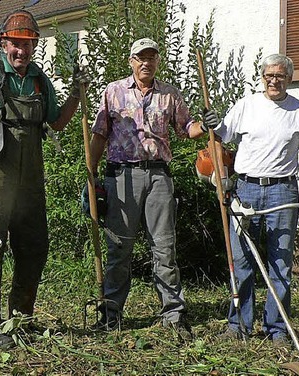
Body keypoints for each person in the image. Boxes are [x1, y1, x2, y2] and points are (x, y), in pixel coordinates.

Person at [0, 9, 88, 349]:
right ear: (3, 43)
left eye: (28, 44)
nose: (22, 51)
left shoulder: (40, 81)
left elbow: (56, 123)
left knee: (34, 248)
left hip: (30, 180)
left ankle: (21, 319)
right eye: (16, 44)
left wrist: (76, 95)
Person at [207, 53, 299, 343]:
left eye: (280, 76)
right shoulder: (246, 106)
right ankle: (239, 326)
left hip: (283, 191)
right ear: (262, 77)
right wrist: (213, 123)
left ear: (289, 79)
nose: (274, 80)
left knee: (280, 263)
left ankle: (277, 329)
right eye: (269, 75)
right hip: (245, 189)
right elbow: (220, 135)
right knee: (242, 260)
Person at [87, 37, 212, 342]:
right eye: (141, 58)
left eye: (151, 57)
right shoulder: (113, 92)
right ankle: (111, 314)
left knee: (164, 247)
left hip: (158, 176)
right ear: (131, 61)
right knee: (119, 249)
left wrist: (205, 125)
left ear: (158, 61)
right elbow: (99, 135)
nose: (146, 63)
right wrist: (90, 174)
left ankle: (173, 314)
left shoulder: (169, 93)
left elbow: (187, 129)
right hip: (122, 178)